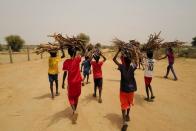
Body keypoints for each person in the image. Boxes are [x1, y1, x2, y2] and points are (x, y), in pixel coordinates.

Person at [113, 49, 137, 131]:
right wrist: (135, 52)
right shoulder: (132, 67)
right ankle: (128, 115)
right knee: (129, 103)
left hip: (123, 89)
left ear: (124, 60)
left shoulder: (121, 66)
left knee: (123, 105)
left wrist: (118, 50)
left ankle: (124, 123)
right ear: (130, 61)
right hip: (131, 89)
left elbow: (114, 59)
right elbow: (136, 62)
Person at [62, 46, 85, 124]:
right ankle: (74, 111)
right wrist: (80, 45)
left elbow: (65, 73)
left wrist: (62, 82)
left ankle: (74, 111)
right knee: (76, 96)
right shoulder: (78, 59)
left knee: (70, 97)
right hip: (78, 82)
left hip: (71, 83)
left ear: (68, 53)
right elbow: (84, 51)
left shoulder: (66, 62)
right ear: (75, 53)